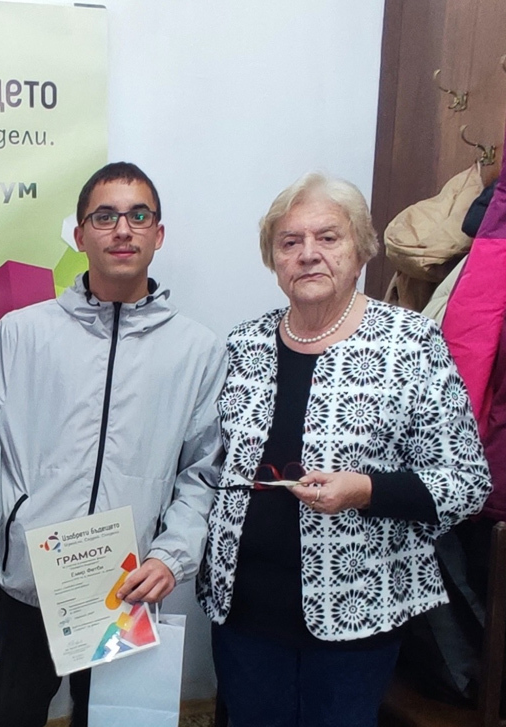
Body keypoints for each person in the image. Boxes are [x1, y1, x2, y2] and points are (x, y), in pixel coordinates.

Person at [196, 173, 492, 727]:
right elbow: (206, 470)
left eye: (328, 238)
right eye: (290, 242)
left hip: (358, 613)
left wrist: (367, 490)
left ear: (360, 251)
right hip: (243, 609)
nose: (308, 254)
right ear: (273, 260)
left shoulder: (409, 343)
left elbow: (467, 483)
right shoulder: (242, 344)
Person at [0, 162, 225, 727]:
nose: (122, 229)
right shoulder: (23, 334)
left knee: (113, 721)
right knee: (14, 717)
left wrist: (172, 555)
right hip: (32, 585)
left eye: (138, 215)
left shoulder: (197, 350)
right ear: (79, 235)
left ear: (158, 234)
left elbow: (203, 472)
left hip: (128, 585)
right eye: (104, 216)